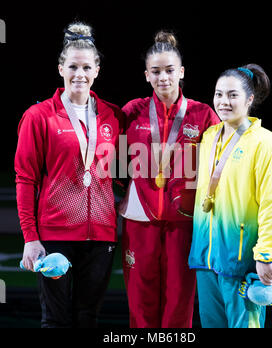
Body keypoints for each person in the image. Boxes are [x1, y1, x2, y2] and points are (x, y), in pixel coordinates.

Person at [15, 22, 123, 328]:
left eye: (87, 67)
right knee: (55, 320)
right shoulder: (38, 117)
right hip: (55, 235)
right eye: (73, 66)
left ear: (97, 70)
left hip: (102, 235)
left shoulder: (113, 116)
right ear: (61, 68)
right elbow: (25, 179)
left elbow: (119, 171)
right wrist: (30, 238)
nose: (80, 74)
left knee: (88, 317)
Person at [119, 30, 220, 328]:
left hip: (185, 223)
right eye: (156, 71)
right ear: (147, 75)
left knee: (179, 301)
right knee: (140, 302)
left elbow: (219, 165)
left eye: (169, 70)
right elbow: (112, 160)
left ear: (182, 72)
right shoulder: (132, 112)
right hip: (139, 222)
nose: (163, 77)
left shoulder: (203, 115)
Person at [188, 64, 272, 328]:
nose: (224, 102)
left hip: (242, 260)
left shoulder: (267, 144)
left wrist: (266, 254)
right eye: (219, 94)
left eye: (232, 95)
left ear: (250, 99)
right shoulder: (209, 137)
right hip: (207, 258)